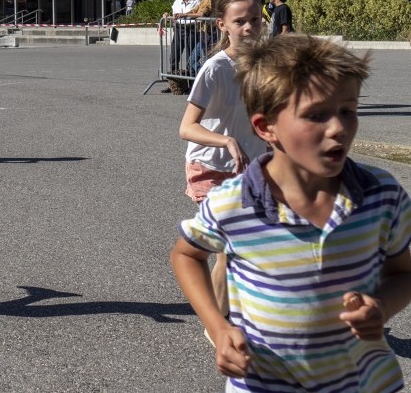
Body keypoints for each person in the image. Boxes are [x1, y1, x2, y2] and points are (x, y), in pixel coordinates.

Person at [171, 34, 411, 391]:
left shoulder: (381, 195)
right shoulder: (234, 202)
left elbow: (403, 273)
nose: (338, 128)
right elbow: (186, 255)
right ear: (265, 127)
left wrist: (381, 306)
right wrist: (218, 328)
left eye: (348, 111)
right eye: (316, 115)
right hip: (264, 383)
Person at [177, 0, 267, 320]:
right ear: (222, 25)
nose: (249, 27)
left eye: (254, 19)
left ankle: (240, 312)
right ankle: (217, 325)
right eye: (239, 21)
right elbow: (187, 127)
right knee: (228, 248)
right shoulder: (216, 68)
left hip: (250, 168)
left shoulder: (265, 66)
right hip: (210, 167)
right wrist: (225, 141)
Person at [161, 0, 199, 94]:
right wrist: (167, 16)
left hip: (191, 29)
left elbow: (199, 15)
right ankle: (173, 84)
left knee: (190, 59)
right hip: (178, 29)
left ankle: (191, 85)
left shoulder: (197, 2)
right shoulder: (176, 2)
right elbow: (174, 17)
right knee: (174, 57)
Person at [181, 0, 218, 75]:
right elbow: (194, 10)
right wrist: (181, 14)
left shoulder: (209, 0)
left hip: (209, 34)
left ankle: (206, 76)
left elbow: (202, 14)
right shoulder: (204, 0)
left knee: (195, 60)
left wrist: (185, 15)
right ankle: (207, 76)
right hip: (205, 34)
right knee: (200, 60)